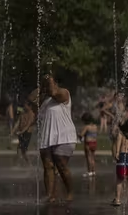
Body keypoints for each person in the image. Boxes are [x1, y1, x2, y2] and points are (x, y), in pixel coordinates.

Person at [37, 74, 77, 203]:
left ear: (56, 84)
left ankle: (70, 193)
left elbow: (54, 92)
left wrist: (47, 81)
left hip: (64, 136)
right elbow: (31, 102)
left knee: (61, 165)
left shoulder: (64, 93)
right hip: (46, 136)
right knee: (48, 166)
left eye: (50, 82)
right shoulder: (45, 100)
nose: (48, 85)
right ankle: (50, 195)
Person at [12, 100, 36, 165]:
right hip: (21, 133)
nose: (24, 106)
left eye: (25, 105)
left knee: (21, 149)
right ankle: (26, 164)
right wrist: (13, 130)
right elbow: (18, 122)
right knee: (21, 150)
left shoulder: (31, 114)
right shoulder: (23, 112)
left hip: (27, 133)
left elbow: (28, 125)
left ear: (30, 106)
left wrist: (20, 132)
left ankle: (18, 163)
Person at [79, 113, 98, 178]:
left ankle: (89, 172)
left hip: (88, 143)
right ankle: (93, 171)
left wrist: (78, 134)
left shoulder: (86, 127)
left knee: (88, 158)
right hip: (94, 143)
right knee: (93, 158)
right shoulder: (95, 126)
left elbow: (81, 135)